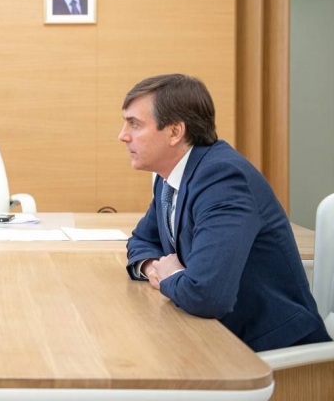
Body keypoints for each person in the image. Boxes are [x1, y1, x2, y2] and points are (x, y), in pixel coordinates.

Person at [121, 74, 331, 352]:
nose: (123, 135)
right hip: (215, 335)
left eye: (134, 124)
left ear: (175, 132)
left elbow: (207, 296)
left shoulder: (222, 179)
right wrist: (153, 267)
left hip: (271, 349)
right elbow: (141, 239)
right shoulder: (169, 177)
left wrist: (171, 276)